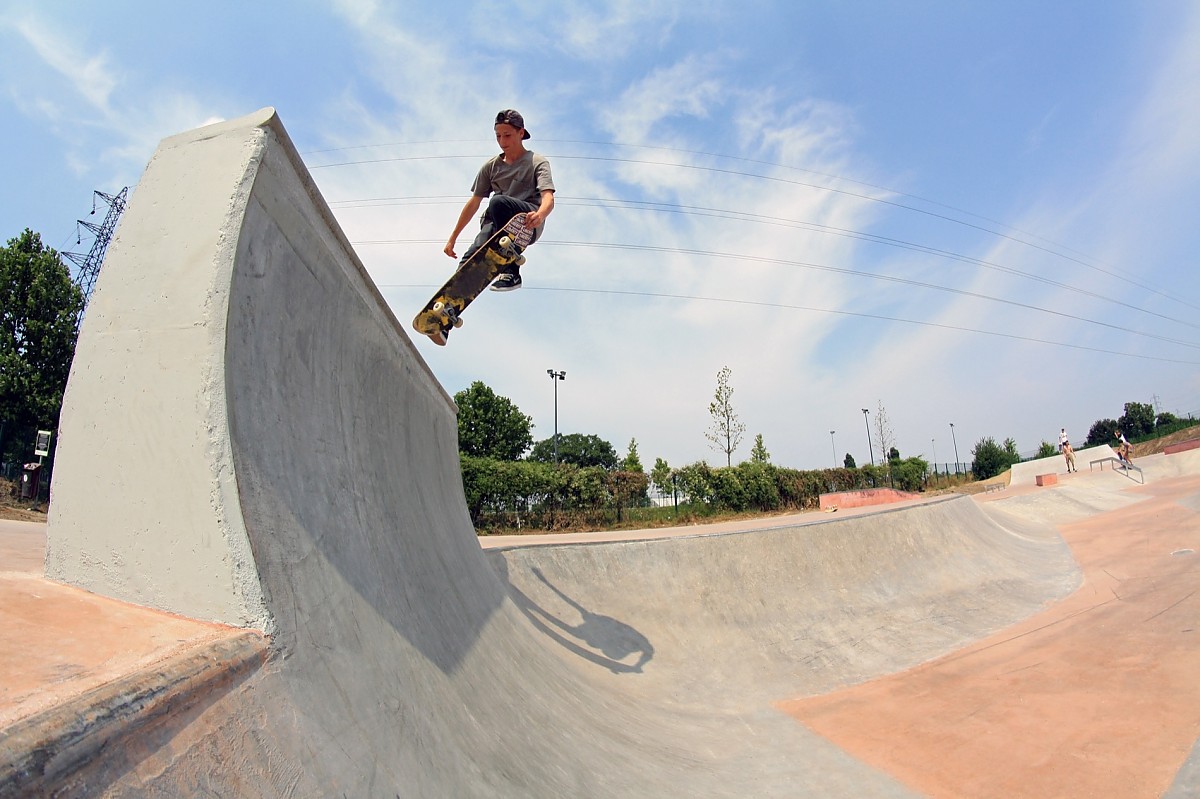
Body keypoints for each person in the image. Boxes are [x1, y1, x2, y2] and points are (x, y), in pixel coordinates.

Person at [444, 109, 555, 293]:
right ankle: (451, 301)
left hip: (527, 221)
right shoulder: (491, 167)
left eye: (508, 135)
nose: (503, 142)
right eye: (498, 136)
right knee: (469, 260)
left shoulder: (537, 162)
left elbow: (548, 197)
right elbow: (473, 203)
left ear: (521, 133)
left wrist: (541, 214)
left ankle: (511, 271)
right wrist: (452, 238)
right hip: (496, 223)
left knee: (498, 203)